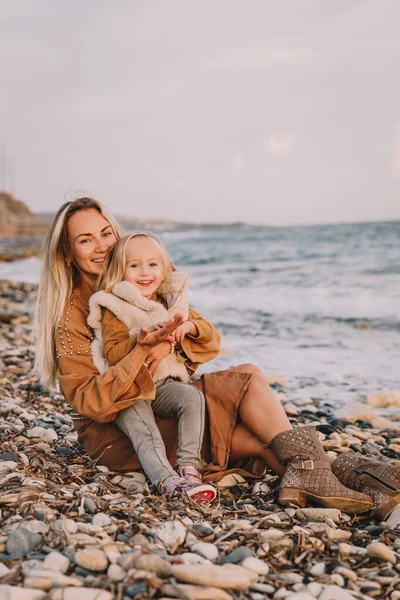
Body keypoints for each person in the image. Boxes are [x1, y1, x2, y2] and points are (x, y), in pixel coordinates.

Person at [34, 197, 400, 519]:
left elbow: (203, 337)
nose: (100, 246)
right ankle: (359, 480)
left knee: (249, 375)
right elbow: (90, 401)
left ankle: (339, 480)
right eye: (85, 240)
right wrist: (146, 350)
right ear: (68, 252)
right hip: (124, 429)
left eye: (105, 233)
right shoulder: (73, 315)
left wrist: (175, 337)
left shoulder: (138, 279)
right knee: (257, 437)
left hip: (165, 398)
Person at [87, 232, 217, 502]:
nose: (144, 272)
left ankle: (189, 467)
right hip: (128, 391)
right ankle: (167, 481)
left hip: (163, 385)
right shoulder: (115, 307)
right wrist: (140, 341)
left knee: (192, 397)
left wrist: (188, 326)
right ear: (120, 271)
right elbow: (112, 353)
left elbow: (210, 334)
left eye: (152, 264)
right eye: (134, 266)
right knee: (145, 432)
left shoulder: (167, 302)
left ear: (164, 269)